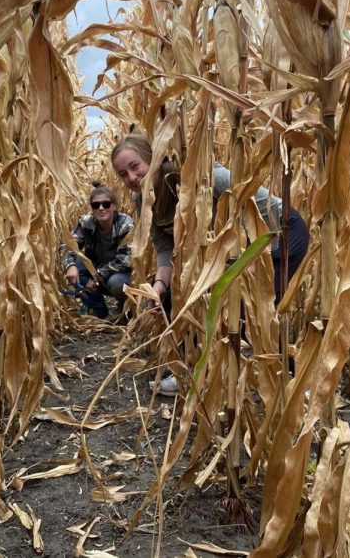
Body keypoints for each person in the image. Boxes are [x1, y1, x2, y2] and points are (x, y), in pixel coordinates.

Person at [111, 134, 309, 394]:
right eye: (123, 174)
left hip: (280, 234)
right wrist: (158, 287)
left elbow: (267, 207)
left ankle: (296, 383)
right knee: (179, 300)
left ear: (154, 158)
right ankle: (191, 375)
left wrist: (245, 263)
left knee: (253, 314)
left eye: (135, 166)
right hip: (231, 254)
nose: (132, 178)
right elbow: (165, 248)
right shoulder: (142, 201)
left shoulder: (201, 175)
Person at [61, 184, 135, 319]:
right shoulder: (85, 223)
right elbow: (68, 247)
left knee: (117, 283)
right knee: (77, 264)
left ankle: (128, 308)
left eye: (106, 204)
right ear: (91, 208)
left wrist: (95, 278)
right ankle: (99, 311)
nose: (101, 208)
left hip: (120, 275)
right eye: (96, 205)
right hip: (98, 272)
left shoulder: (126, 224)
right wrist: (70, 266)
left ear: (114, 206)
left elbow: (124, 261)